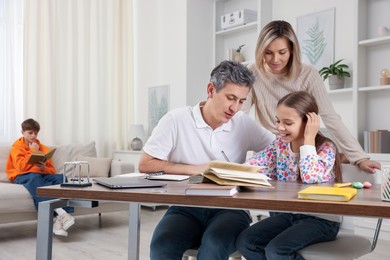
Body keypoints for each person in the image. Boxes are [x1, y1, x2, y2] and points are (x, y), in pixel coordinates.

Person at [138, 60, 275, 260]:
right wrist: (197, 169)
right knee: (161, 247)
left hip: (230, 209)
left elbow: (279, 150)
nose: (235, 107)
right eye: (230, 98)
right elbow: (145, 164)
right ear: (211, 89)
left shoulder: (243, 123)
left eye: (241, 101)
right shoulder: (176, 120)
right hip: (185, 207)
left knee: (213, 247)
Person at [242, 20, 381, 173]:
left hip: (304, 148)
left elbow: (330, 117)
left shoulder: (308, 74)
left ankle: (340, 157)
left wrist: (359, 157)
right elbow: (239, 116)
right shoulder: (251, 72)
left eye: (282, 52)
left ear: (292, 50)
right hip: (272, 152)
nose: (275, 59)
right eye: (268, 53)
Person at [236, 91, 342, 259]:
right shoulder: (279, 146)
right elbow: (252, 166)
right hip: (287, 215)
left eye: (288, 122)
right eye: (278, 121)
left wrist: (308, 140)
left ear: (309, 123)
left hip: (320, 219)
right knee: (246, 242)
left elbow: (310, 177)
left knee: (277, 250)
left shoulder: (326, 148)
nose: (279, 127)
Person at [6, 118, 75, 236]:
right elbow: (20, 167)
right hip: (22, 175)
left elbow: (51, 170)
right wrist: (32, 151)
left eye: (35, 133)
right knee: (34, 179)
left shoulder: (43, 148)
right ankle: (61, 213)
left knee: (61, 178)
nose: (33, 136)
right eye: (30, 133)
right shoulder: (16, 147)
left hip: (42, 174)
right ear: (22, 132)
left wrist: (44, 168)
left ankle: (57, 222)